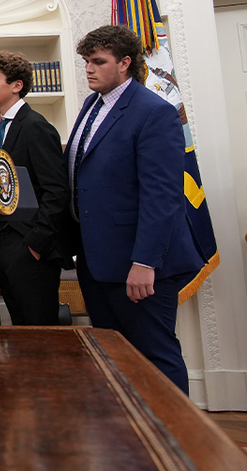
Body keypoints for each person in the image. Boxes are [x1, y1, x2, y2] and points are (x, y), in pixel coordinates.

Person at [65, 26, 205, 394]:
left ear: (125, 63)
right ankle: (132, 441)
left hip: (139, 265)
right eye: (86, 62)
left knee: (155, 356)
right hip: (98, 261)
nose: (89, 69)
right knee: (114, 356)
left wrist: (145, 262)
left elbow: (162, 196)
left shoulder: (154, 112)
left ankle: (175, 441)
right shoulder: (91, 105)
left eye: (99, 62)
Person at [0, 51, 72, 326]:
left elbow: (56, 190)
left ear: (17, 85)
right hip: (7, 242)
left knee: (39, 331)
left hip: (30, 246)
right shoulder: (3, 128)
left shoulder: (35, 126)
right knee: (20, 328)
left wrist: (36, 244)